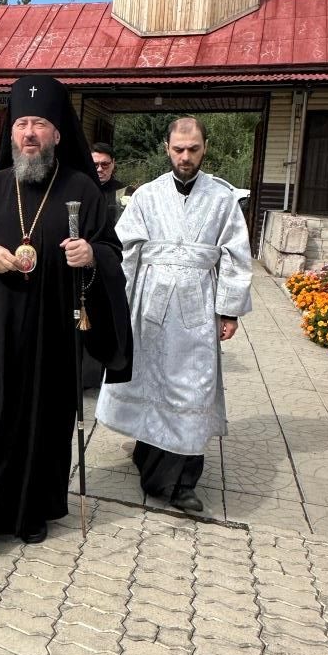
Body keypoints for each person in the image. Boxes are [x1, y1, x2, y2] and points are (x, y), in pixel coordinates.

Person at [0, 76, 132, 565]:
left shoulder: (83, 191)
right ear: (12, 133)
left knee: (44, 424)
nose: (28, 133)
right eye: (21, 123)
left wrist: (92, 255)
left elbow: (112, 251)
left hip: (53, 335)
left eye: (39, 124)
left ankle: (31, 511)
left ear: (57, 134)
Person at [96, 117, 253, 513]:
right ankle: (147, 455)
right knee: (150, 381)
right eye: (179, 149)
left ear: (204, 148)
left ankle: (182, 482)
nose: (185, 157)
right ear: (167, 149)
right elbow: (125, 251)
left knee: (192, 389)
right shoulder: (147, 195)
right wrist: (117, 304)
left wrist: (229, 310)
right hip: (149, 305)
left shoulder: (222, 198)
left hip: (197, 309)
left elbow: (236, 256)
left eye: (193, 149)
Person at [91, 142, 126, 226]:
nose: (99, 169)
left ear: (113, 163)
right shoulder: (81, 191)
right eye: (95, 164)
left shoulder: (123, 192)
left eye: (105, 164)